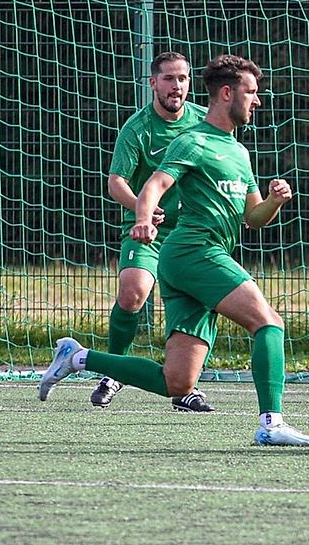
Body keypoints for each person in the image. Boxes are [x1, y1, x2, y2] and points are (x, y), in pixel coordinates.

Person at [39, 54, 309, 447]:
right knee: (268, 322)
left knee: (176, 382)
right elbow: (154, 184)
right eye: (251, 92)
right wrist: (142, 217)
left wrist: (274, 200)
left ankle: (78, 357)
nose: (257, 101)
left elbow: (253, 218)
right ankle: (271, 424)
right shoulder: (192, 140)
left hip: (196, 257)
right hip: (194, 251)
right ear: (227, 93)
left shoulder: (238, 152)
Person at [92, 51, 211, 411]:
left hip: (192, 234)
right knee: (132, 293)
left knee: (196, 304)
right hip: (149, 232)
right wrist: (141, 211)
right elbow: (116, 182)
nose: (177, 86)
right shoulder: (138, 127)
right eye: (169, 79)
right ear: (153, 83)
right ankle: (113, 371)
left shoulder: (205, 122)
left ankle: (185, 387)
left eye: (183, 79)